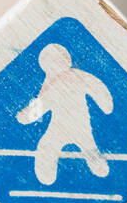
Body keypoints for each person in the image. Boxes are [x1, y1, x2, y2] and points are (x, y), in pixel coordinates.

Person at [16, 44, 113, 185]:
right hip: (62, 127)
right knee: (50, 146)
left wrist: (106, 104)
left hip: (77, 125)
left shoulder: (73, 77)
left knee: (83, 145)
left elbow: (96, 87)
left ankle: (97, 165)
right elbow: (40, 105)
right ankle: (47, 176)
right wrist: (24, 117)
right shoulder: (50, 82)